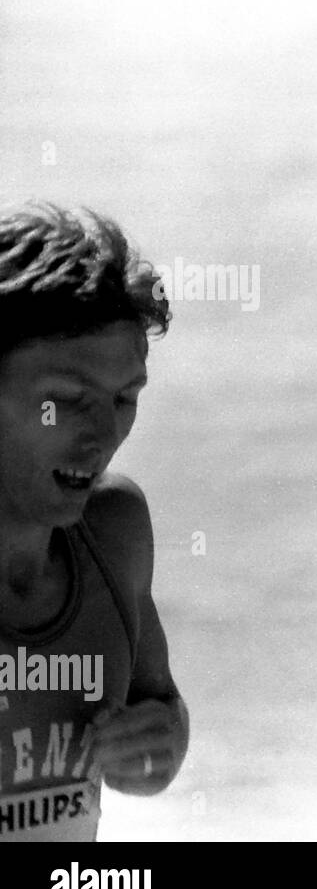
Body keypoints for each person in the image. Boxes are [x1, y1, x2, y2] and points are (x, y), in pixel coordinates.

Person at [0, 203, 189, 840]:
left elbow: (157, 705)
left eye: (124, 398)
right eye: (68, 401)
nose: (105, 434)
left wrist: (158, 749)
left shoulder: (114, 532)